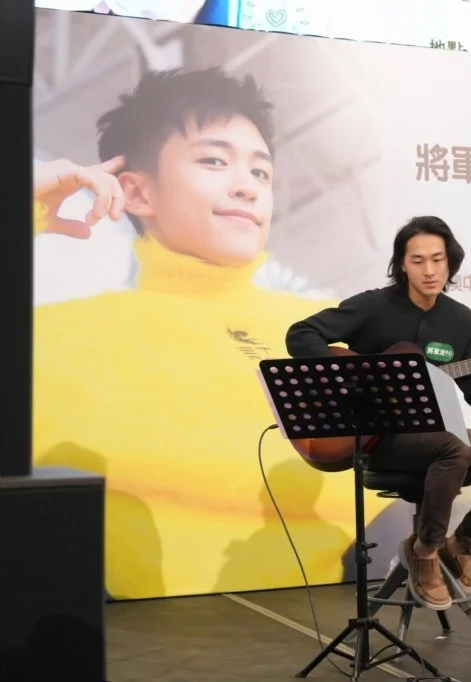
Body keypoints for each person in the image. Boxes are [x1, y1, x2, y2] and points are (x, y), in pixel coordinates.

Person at [32, 68, 387, 600]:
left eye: (261, 172)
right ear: (137, 192)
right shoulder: (57, 338)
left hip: (338, 614)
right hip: (146, 629)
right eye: (214, 161)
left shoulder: (328, 329)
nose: (247, 186)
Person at [286, 216, 471, 611]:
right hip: (378, 437)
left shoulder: (460, 320)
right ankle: (425, 552)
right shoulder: (374, 306)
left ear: (450, 263)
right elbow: (301, 334)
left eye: (438, 260)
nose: (429, 270)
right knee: (455, 448)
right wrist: (351, 376)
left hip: (437, 432)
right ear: (402, 265)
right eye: (418, 261)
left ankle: (460, 546)